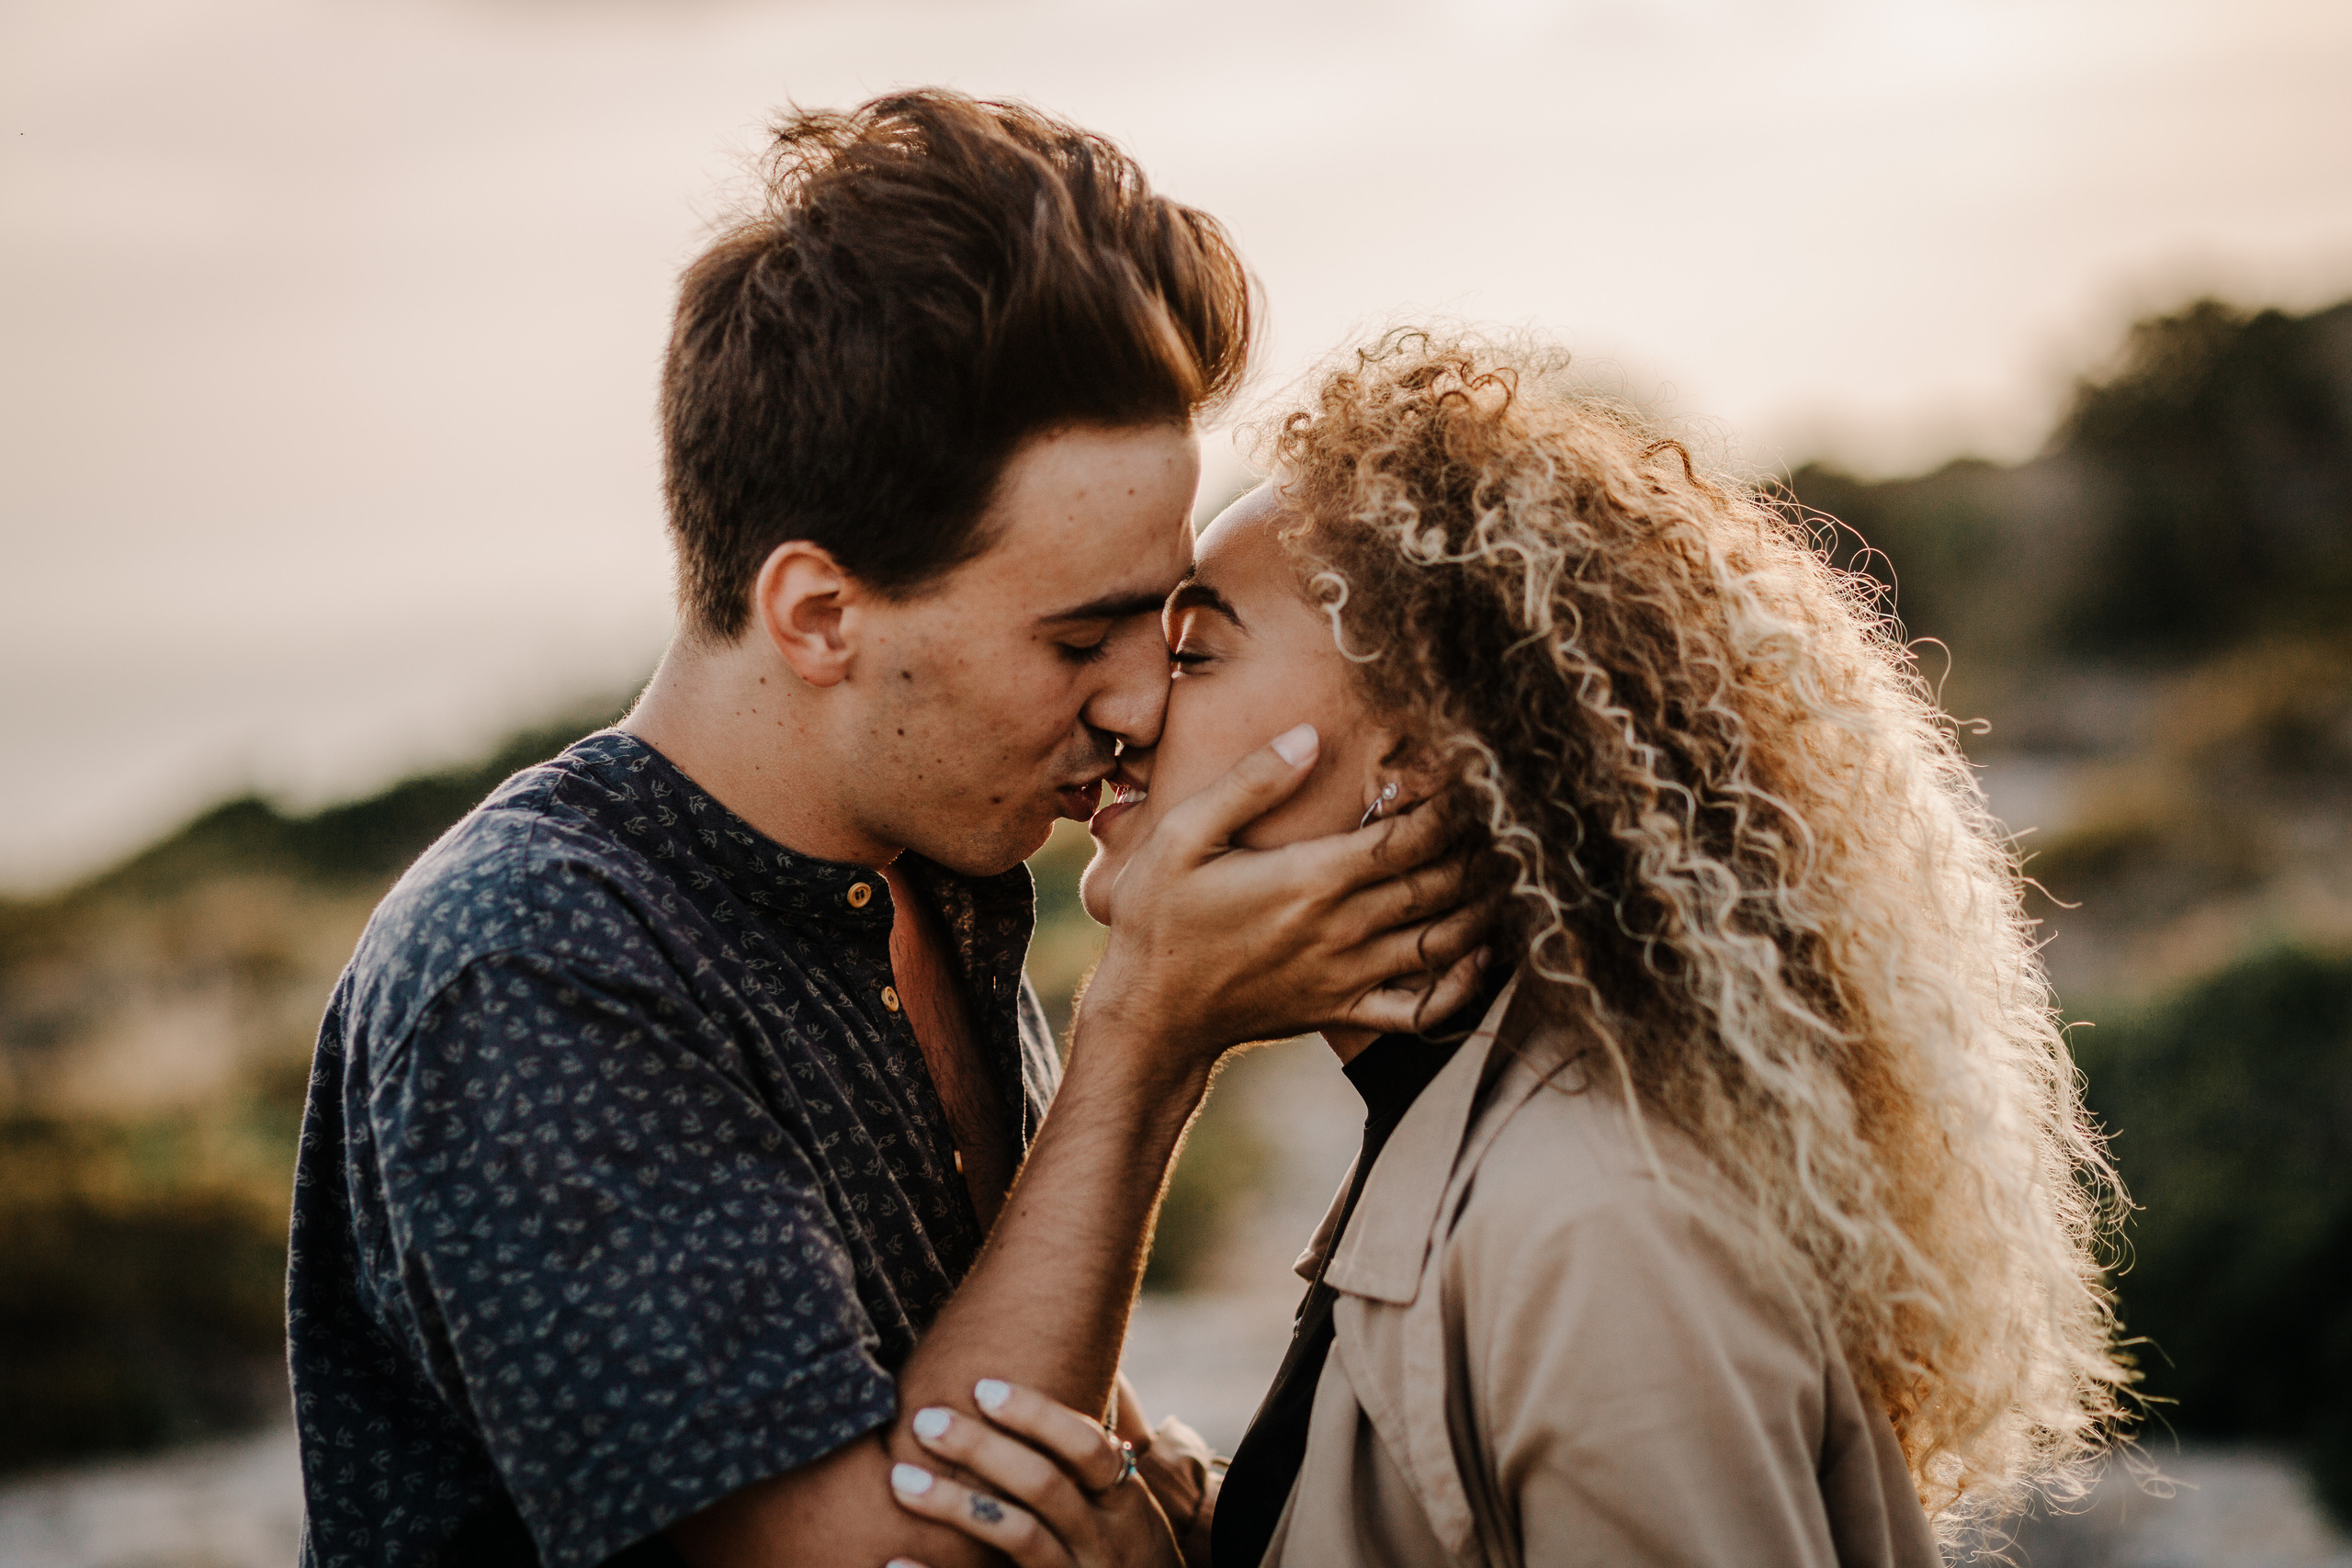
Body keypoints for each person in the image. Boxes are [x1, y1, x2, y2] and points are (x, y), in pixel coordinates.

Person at [283, 96, 1486, 1568]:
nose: (1137, 704)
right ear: (818, 615)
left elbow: (1023, 1422)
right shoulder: (532, 965)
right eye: (1079, 638)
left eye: (1166, 623)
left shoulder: (937, 874)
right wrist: (1149, 1038)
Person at [882, 333, 2131, 1566]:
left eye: (1196, 652)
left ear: (1422, 761)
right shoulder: (1478, 1131)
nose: (1133, 711)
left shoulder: (1600, 1229)